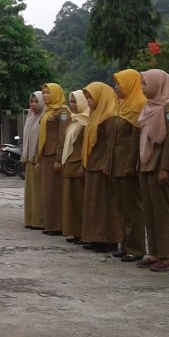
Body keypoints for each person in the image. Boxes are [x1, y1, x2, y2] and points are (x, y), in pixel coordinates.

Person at [135, 69, 169, 272]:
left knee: (161, 212)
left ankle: (166, 256)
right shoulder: (149, 106)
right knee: (149, 211)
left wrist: (165, 168)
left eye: (146, 83)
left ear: (158, 84)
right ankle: (154, 253)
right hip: (146, 163)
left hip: (159, 165)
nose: (143, 88)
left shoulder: (168, 107)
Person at [111, 69, 148, 262]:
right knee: (121, 207)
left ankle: (136, 248)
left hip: (128, 165)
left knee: (133, 208)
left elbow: (135, 142)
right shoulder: (121, 105)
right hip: (117, 164)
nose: (116, 87)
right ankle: (124, 245)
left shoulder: (138, 106)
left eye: (119, 83)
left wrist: (130, 165)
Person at [80, 82, 118, 253]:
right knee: (93, 204)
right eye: (87, 97)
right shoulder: (94, 115)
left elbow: (111, 144)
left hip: (102, 166)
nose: (89, 100)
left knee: (105, 205)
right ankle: (96, 237)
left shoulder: (109, 117)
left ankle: (108, 239)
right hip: (92, 165)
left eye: (92, 97)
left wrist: (107, 163)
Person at [37, 83, 70, 236]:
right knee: (47, 193)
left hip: (54, 156)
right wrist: (38, 159)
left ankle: (58, 225)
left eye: (48, 92)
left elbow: (62, 136)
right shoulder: (47, 111)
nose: (45, 95)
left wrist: (58, 158)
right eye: (43, 92)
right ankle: (50, 224)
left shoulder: (63, 113)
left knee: (55, 192)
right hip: (45, 155)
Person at [61, 90, 90, 243]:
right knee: (72, 203)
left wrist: (82, 165)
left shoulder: (85, 121)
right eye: (71, 101)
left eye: (75, 101)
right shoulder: (74, 120)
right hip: (69, 165)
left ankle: (84, 233)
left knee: (81, 202)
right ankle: (76, 232)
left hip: (78, 165)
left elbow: (85, 147)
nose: (72, 105)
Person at [22, 91, 44, 230]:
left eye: (37, 101)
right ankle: (30, 220)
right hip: (29, 161)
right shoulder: (30, 117)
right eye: (32, 101)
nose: (34, 104)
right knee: (30, 192)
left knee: (39, 192)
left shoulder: (44, 118)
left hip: (38, 161)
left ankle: (40, 221)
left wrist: (39, 157)